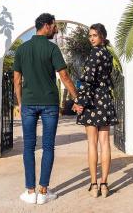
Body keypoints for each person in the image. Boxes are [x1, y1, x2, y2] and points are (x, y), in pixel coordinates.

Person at [13, 13, 82, 205]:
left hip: (28, 103)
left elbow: (17, 80)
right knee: (48, 146)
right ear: (45, 25)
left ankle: (30, 191)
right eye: (54, 26)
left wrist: (20, 102)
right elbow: (65, 76)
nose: (56, 29)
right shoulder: (52, 49)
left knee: (28, 146)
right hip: (50, 104)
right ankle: (43, 192)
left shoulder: (23, 50)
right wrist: (77, 98)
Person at [72, 23, 118, 198]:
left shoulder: (94, 54)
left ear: (102, 37)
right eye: (90, 35)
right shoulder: (107, 55)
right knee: (105, 142)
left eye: (95, 35)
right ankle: (105, 185)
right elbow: (107, 79)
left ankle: (94, 185)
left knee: (92, 143)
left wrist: (81, 102)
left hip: (92, 102)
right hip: (105, 100)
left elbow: (88, 81)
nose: (92, 38)